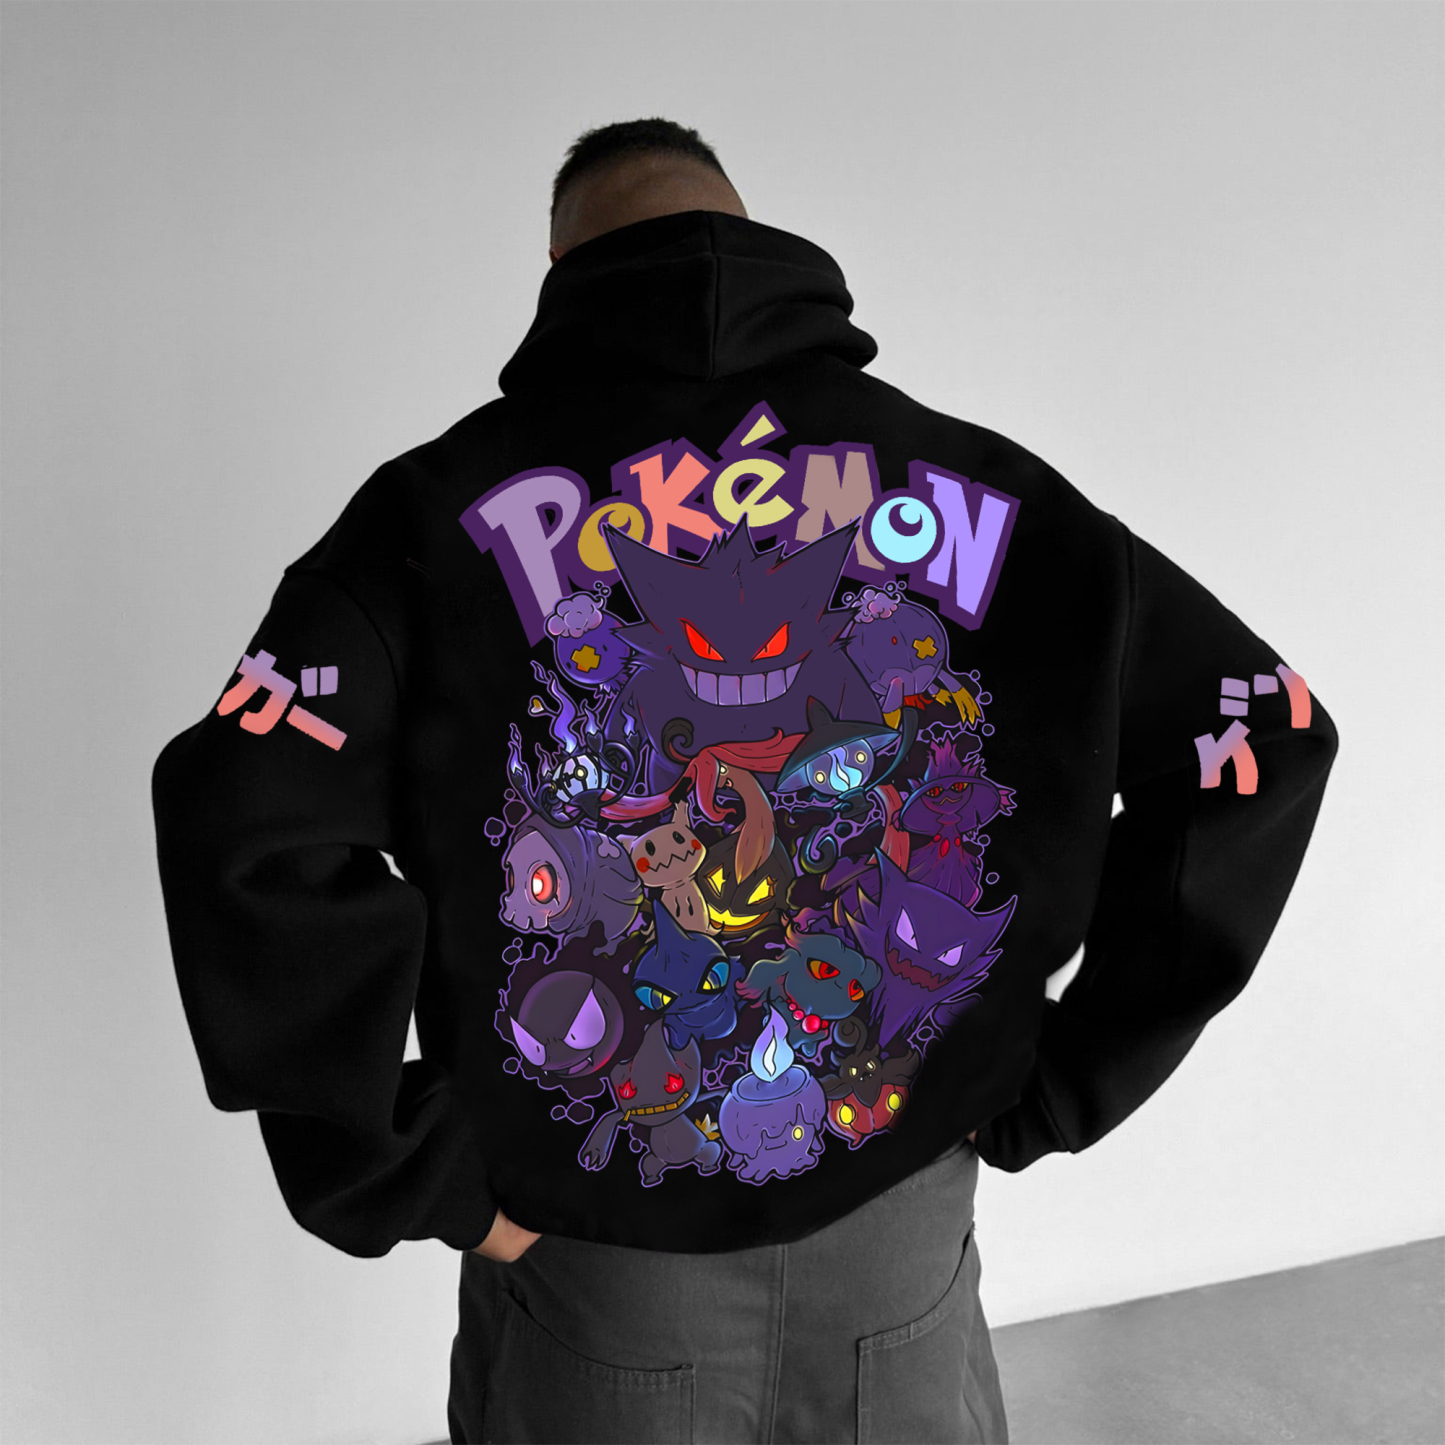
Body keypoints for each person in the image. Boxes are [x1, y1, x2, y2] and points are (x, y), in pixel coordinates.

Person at [153, 119, 1339, 1444]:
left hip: (602, 1251)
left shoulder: (428, 515)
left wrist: (396, 1163)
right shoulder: (1000, 496)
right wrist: (1061, 1075)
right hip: (899, 1216)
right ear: (754, 237)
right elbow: (1262, 726)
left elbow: (244, 814)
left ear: (560, 268)